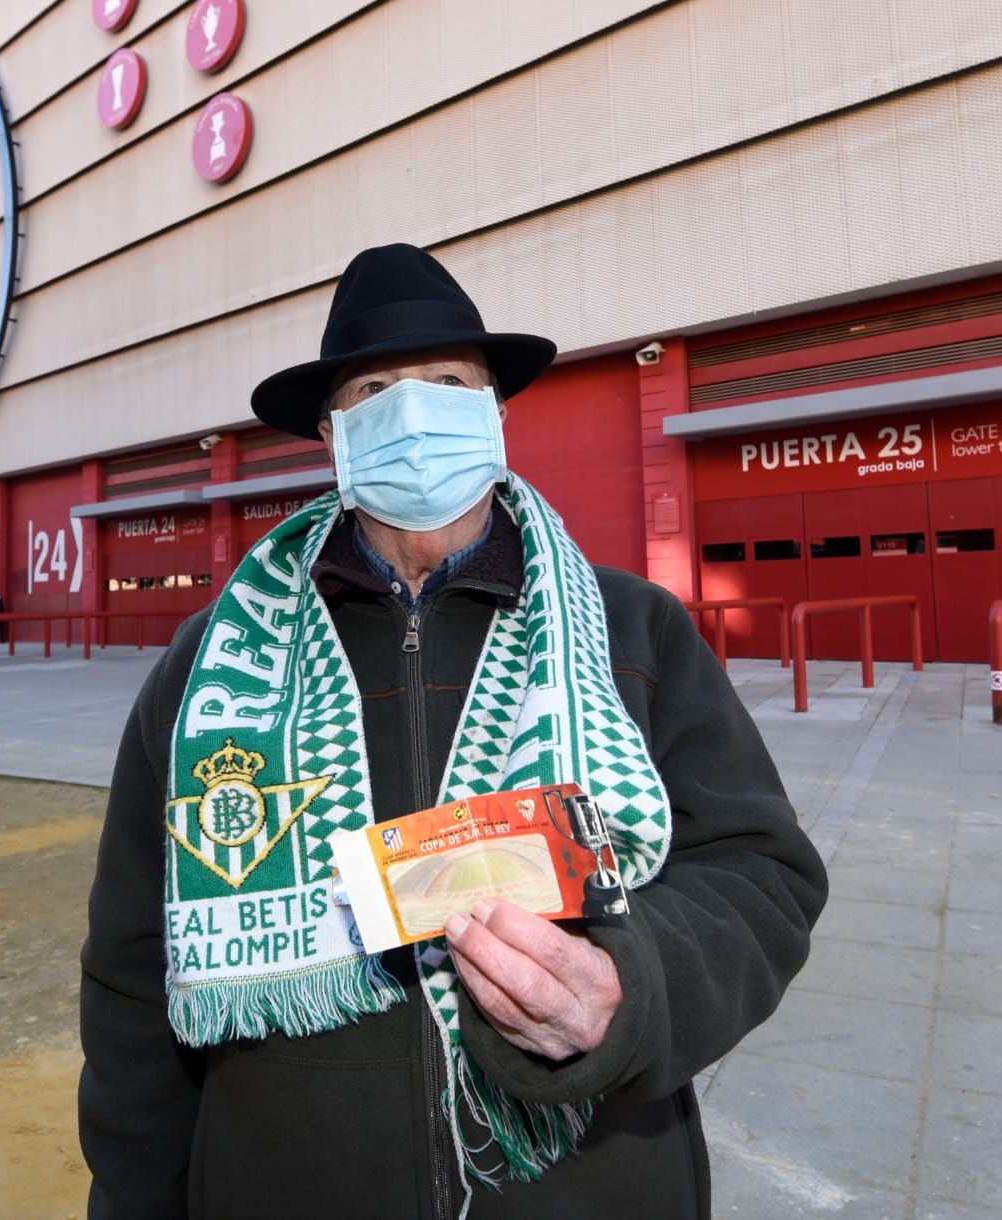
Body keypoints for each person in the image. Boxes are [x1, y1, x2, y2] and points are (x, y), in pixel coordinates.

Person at [79, 244, 825, 1219]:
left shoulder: (630, 629)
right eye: (376, 387)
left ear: (494, 413)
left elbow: (760, 874)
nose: (415, 412)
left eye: (446, 382)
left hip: (586, 1182)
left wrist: (627, 986)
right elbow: (134, 969)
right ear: (333, 432)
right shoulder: (213, 666)